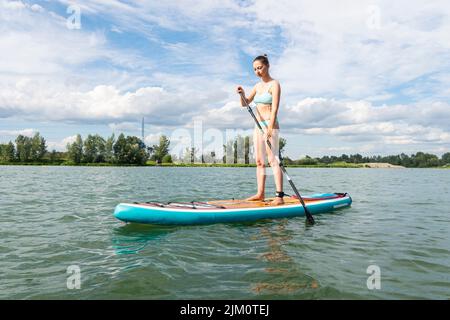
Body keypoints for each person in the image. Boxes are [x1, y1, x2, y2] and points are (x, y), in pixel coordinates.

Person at [236, 54, 284, 205]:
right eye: (255, 69)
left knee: (272, 160)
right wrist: (242, 94)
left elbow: (275, 107)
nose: (257, 71)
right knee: (259, 161)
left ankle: (279, 196)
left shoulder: (274, 84)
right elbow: (245, 104)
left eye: (260, 67)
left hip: (270, 124)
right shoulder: (257, 87)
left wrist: (270, 128)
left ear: (267, 66)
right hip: (258, 126)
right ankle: (260, 193)